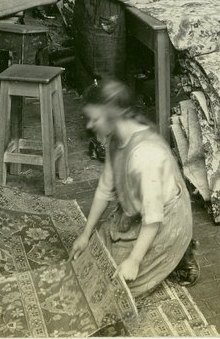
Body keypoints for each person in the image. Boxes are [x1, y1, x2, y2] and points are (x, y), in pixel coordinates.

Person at [71, 78, 198, 295]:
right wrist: (85, 234)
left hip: (164, 219)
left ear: (114, 115)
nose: (90, 126)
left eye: (95, 119)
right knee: (90, 261)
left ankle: (182, 254)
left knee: (114, 287)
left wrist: (134, 260)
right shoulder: (115, 139)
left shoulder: (144, 154)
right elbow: (105, 189)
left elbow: (153, 216)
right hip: (137, 213)